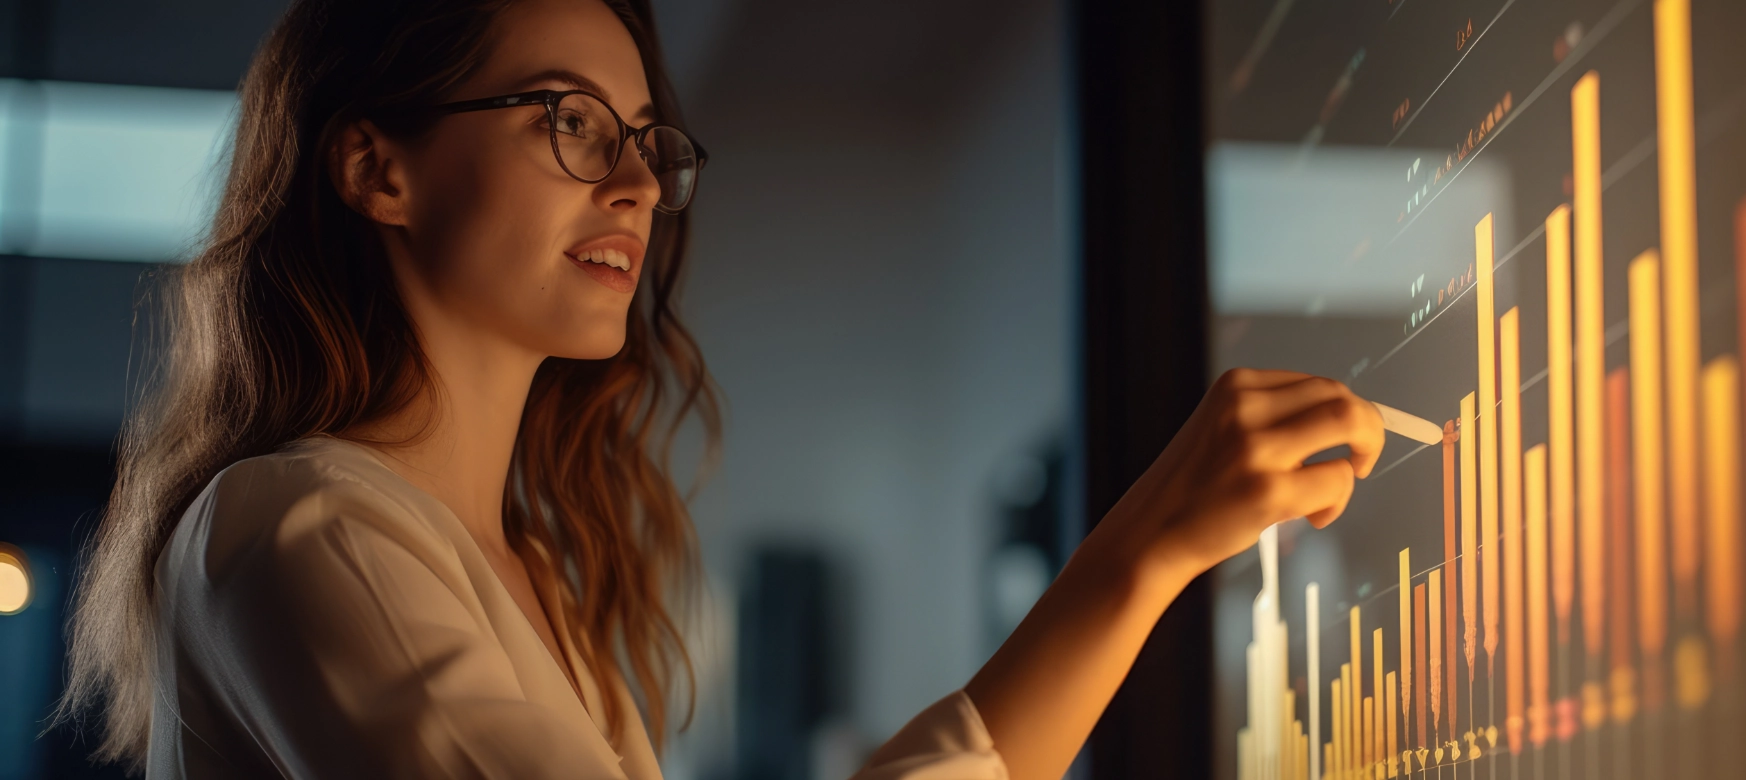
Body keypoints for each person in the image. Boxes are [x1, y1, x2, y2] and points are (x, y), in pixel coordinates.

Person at [53, 0, 1385, 777]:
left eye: (642, 140)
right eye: (566, 120)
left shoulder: (535, 585)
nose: (631, 181)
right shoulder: (298, 525)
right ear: (375, 167)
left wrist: (1141, 566)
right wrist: (1135, 551)